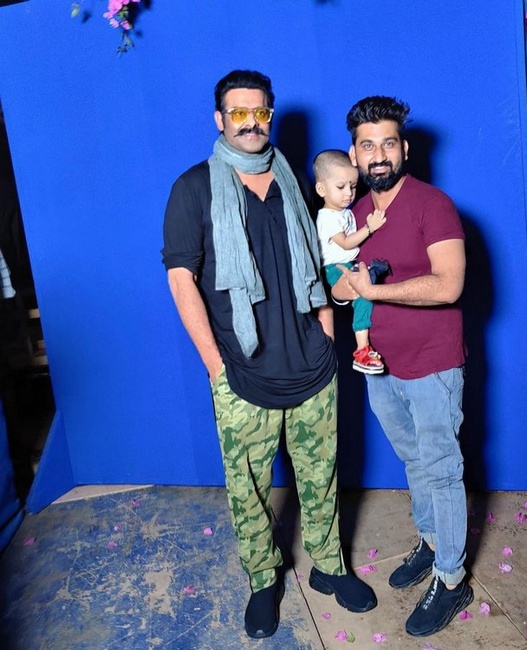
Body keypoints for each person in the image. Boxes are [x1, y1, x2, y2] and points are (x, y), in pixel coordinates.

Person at [161, 70, 376, 640]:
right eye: (239, 113)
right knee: (249, 488)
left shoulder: (293, 183)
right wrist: (216, 367)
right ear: (220, 120)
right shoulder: (193, 188)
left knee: (322, 476)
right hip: (242, 370)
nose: (251, 123)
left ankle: (330, 566)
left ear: (270, 115)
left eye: (260, 112)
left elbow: (317, 262)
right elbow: (181, 280)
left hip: (311, 363)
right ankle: (263, 579)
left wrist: (327, 337)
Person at [333, 95, 473, 638]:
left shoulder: (432, 204)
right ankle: (432, 541)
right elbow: (343, 287)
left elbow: (449, 285)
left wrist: (374, 290)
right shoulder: (354, 216)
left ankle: (452, 578)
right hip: (380, 366)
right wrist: (344, 290)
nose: (378, 155)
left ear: (404, 149)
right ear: (354, 155)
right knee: (414, 459)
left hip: (433, 364)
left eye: (388, 143)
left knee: (442, 466)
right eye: (367, 146)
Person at [313, 149, 388, 374]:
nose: (349, 193)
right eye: (341, 187)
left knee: (370, 286)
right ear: (321, 189)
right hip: (335, 269)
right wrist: (369, 228)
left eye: (353, 186)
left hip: (348, 264)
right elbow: (345, 243)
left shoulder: (344, 212)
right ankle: (362, 350)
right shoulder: (327, 217)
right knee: (364, 295)